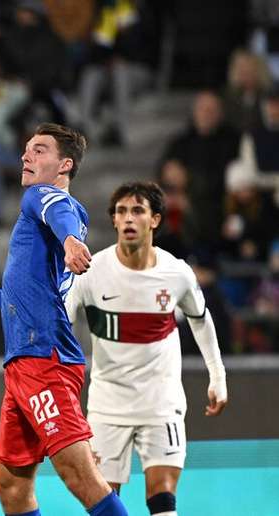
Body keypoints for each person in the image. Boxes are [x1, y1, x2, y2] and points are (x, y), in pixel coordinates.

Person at [0, 123, 129, 515]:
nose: (26, 156)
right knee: (12, 486)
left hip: (42, 362)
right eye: (27, 149)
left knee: (79, 477)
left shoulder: (43, 199)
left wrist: (70, 240)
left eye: (39, 150)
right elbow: (28, 299)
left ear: (64, 164)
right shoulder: (49, 219)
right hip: (25, 363)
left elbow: (57, 209)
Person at [65, 181, 226, 516]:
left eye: (137, 210)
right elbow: (59, 325)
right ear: (113, 220)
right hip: (108, 405)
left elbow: (200, 318)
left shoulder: (177, 273)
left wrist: (217, 375)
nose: (128, 218)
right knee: (105, 501)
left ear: (154, 220)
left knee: (162, 497)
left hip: (160, 403)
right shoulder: (90, 272)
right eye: (121, 211)